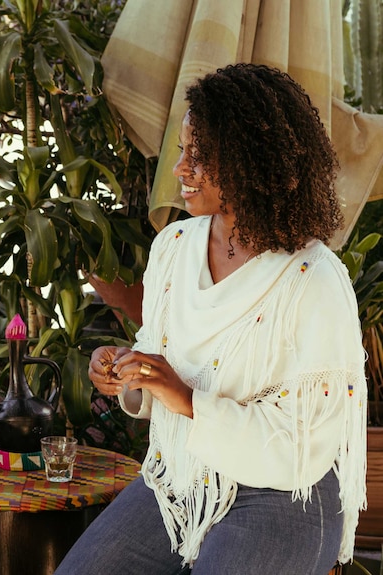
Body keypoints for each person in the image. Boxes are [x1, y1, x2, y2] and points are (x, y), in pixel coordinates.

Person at [55, 63, 367, 575]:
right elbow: (160, 360)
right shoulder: (174, 248)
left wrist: (186, 398)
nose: (180, 169)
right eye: (182, 151)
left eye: (199, 156)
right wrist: (129, 371)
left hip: (284, 495)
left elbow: (301, 446)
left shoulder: (313, 279)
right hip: (182, 479)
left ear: (251, 163)